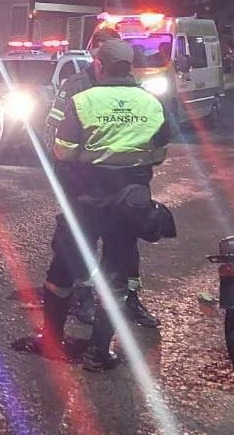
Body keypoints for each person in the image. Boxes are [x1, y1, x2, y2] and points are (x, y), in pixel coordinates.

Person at [14, 37, 171, 371]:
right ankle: (99, 352)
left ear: (99, 64)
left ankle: (52, 342)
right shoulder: (151, 102)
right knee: (117, 277)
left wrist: (92, 159)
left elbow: (63, 150)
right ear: (130, 66)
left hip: (85, 200)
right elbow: (159, 151)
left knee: (63, 270)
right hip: (130, 203)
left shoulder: (83, 100)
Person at [51, 26, 162, 330]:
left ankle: (129, 299)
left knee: (125, 246)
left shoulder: (136, 91)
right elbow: (55, 132)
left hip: (126, 187)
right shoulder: (76, 85)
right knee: (82, 242)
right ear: (95, 54)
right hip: (85, 183)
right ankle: (84, 296)